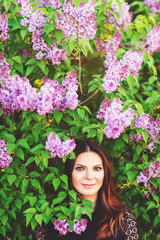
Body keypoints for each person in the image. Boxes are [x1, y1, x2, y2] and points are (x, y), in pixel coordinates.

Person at [35, 140, 141, 240]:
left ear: (105, 173)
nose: (89, 176)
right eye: (80, 168)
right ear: (69, 172)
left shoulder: (122, 218)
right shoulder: (49, 218)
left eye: (97, 168)